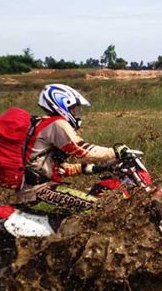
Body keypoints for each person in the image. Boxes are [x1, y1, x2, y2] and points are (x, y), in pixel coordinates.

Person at [16, 83, 128, 216]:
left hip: (34, 191)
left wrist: (99, 168)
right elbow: (81, 150)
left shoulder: (44, 123)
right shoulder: (57, 123)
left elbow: (59, 168)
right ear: (61, 104)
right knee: (100, 208)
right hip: (39, 192)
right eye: (73, 108)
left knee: (92, 196)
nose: (76, 112)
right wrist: (115, 152)